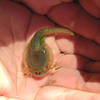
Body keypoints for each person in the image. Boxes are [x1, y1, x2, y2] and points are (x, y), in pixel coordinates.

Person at [0, 0, 100, 99]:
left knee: (40, 37)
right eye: (37, 72)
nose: (38, 74)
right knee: (39, 39)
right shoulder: (35, 67)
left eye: (38, 72)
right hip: (36, 47)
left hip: (36, 46)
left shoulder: (36, 67)